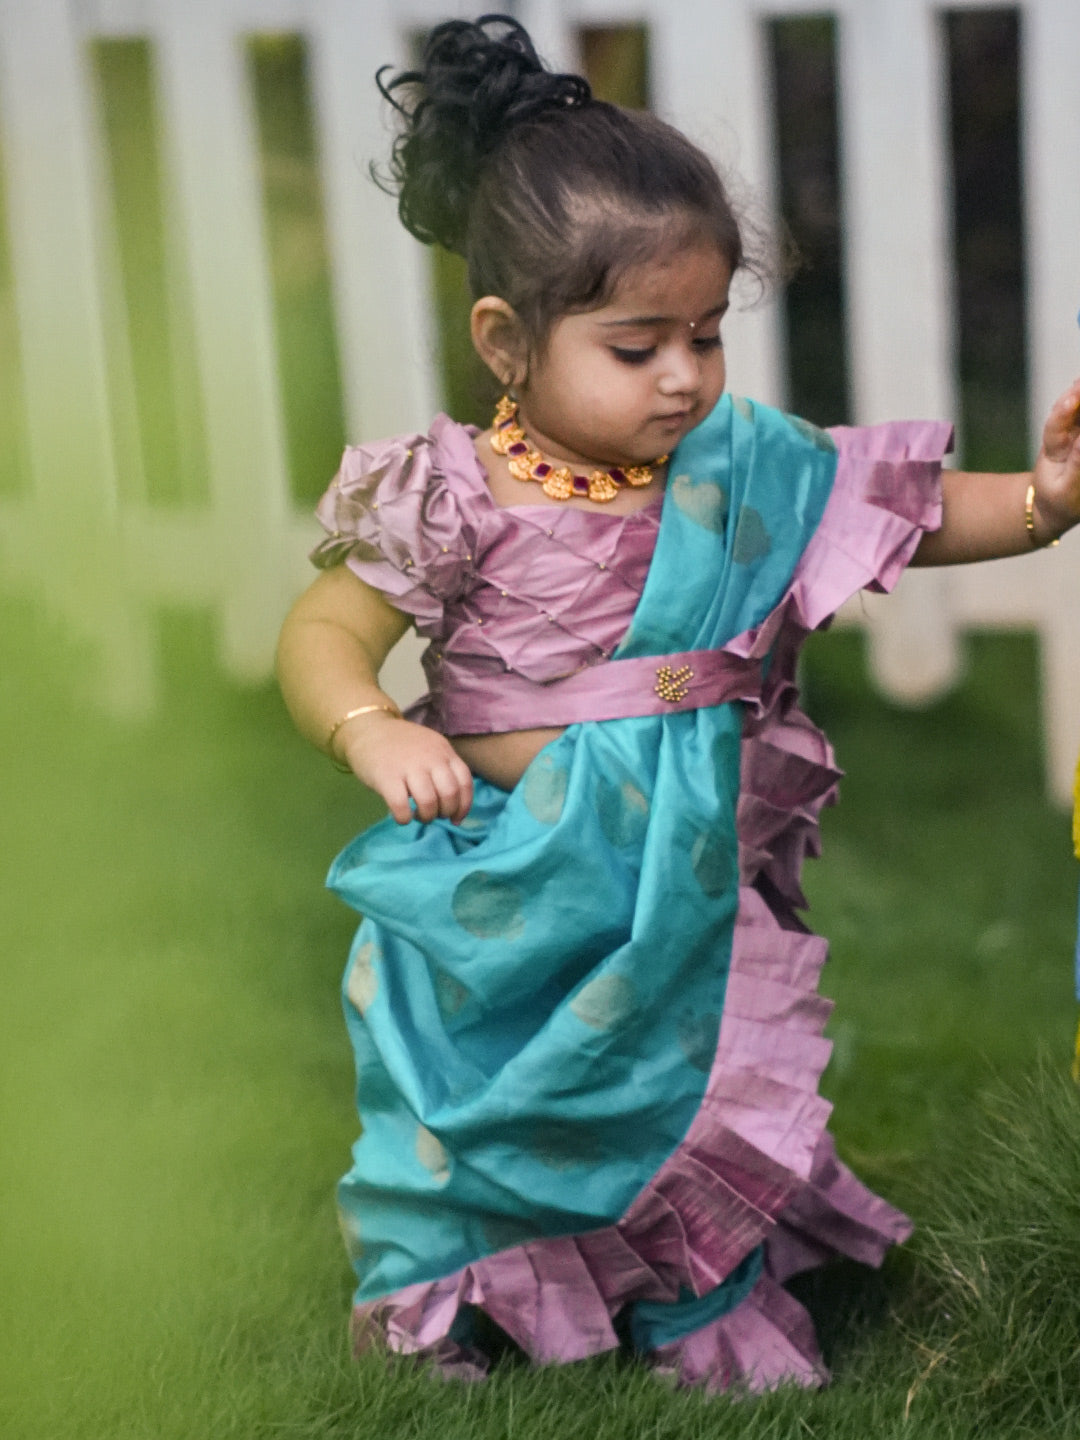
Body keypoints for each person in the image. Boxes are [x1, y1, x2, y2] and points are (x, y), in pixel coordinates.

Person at [276, 14, 1080, 1393]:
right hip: (512, 878)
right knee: (485, 1101)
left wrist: (1044, 503)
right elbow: (323, 632)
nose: (687, 377)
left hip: (683, 877)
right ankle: (454, 1300)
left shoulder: (735, 464)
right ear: (507, 340)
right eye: (637, 344)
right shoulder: (456, 490)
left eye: (705, 336)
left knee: (682, 1094)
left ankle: (692, 1291)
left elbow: (905, 511)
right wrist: (372, 723)